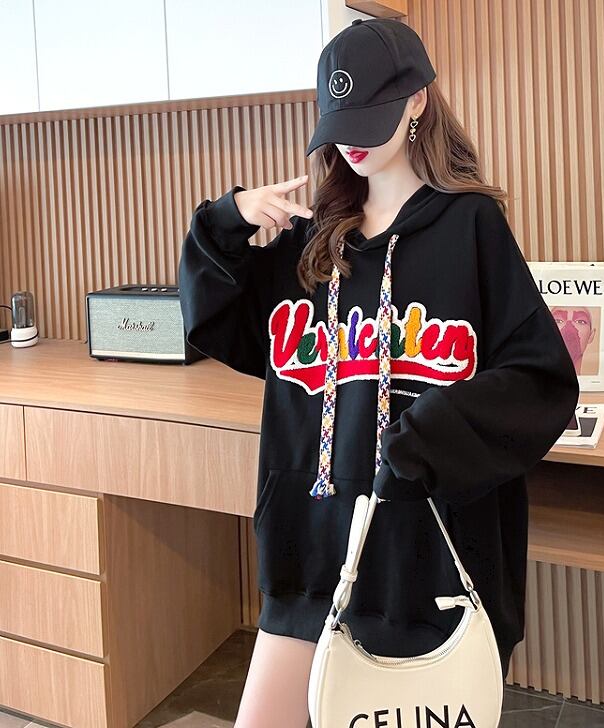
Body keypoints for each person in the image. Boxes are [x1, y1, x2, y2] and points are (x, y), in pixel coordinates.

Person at [177, 17, 579, 728]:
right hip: (309, 546)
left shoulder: (469, 226)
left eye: (371, 117)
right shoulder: (312, 242)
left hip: (425, 556)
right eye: (340, 125)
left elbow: (540, 378)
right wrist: (227, 219)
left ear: (417, 99)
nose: (352, 143)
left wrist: (429, 435)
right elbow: (213, 321)